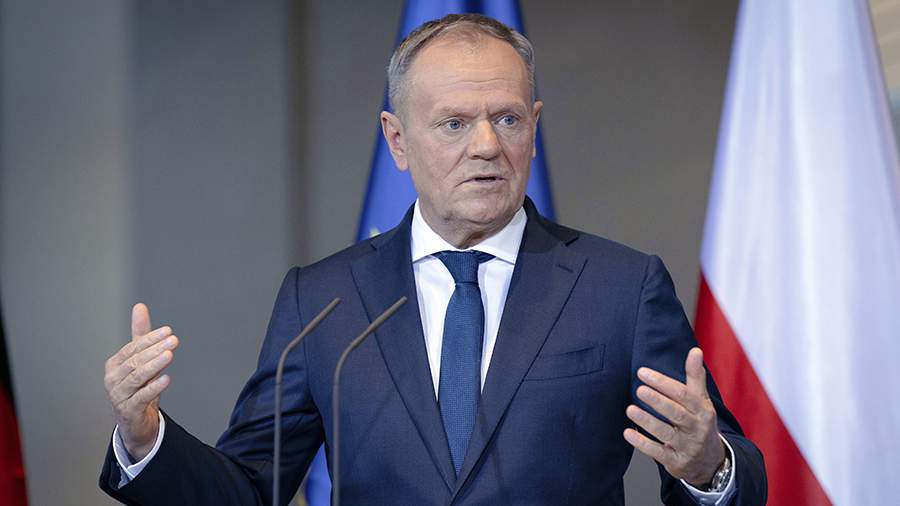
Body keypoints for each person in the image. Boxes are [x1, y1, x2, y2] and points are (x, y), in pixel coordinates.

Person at [100, 14, 766, 505]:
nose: (486, 145)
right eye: (454, 123)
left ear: (534, 129)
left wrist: (708, 466)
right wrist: (143, 437)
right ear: (397, 139)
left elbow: (735, 472)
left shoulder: (620, 288)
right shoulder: (324, 302)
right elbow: (247, 490)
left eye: (508, 119)